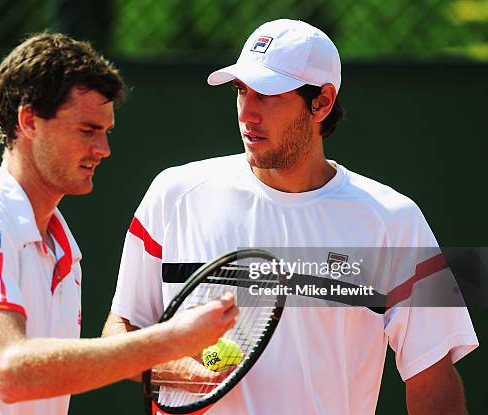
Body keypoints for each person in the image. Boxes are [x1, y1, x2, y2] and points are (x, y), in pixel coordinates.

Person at [102, 19, 479, 414]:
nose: (247, 113)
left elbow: (432, 379)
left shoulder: (396, 221)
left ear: (321, 102)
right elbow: (120, 332)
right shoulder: (173, 194)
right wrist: (186, 371)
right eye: (240, 91)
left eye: (267, 95)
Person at [0, 32, 239, 415]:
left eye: (106, 131)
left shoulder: (65, 249)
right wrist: (169, 340)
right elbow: (10, 369)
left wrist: (180, 361)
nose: (103, 149)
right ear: (29, 121)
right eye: (87, 130)